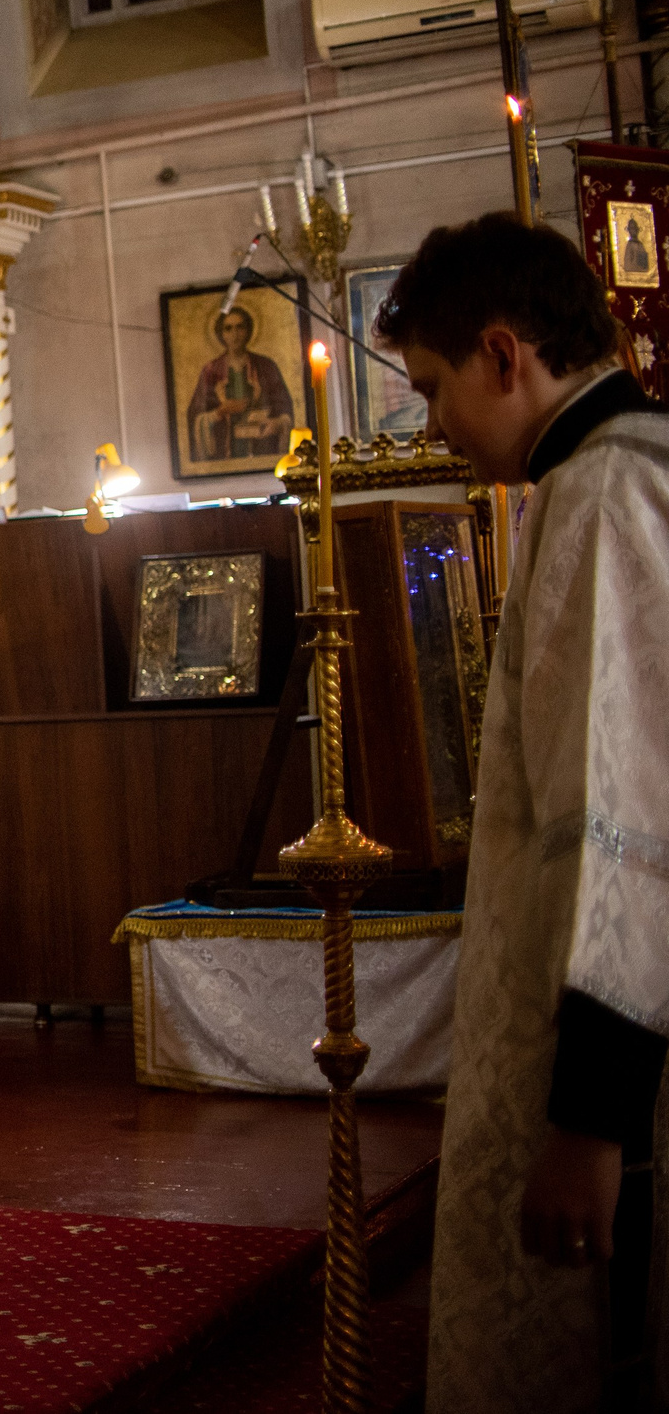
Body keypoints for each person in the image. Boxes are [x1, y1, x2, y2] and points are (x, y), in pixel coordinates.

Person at [376, 213, 669, 1409]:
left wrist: (588, 1124)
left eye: (431, 388)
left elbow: (622, 826)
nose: (432, 426)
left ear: (503, 355)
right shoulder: (630, 467)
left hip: (624, 1076)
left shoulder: (604, 494)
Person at [185, 304, 295, 462]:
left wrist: (277, 423)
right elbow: (196, 416)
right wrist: (220, 411)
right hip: (223, 452)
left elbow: (285, 408)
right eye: (228, 328)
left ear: (248, 331)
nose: (234, 334)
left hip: (261, 450)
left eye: (240, 327)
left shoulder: (266, 366)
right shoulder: (211, 371)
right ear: (221, 333)